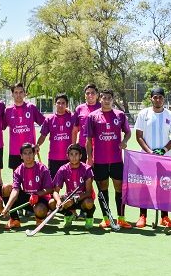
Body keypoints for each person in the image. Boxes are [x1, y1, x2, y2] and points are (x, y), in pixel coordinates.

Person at [133, 87, 171, 228]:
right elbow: (138, 136)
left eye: (160, 97)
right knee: (145, 187)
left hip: (165, 159)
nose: (158, 99)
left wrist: (164, 150)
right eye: (155, 97)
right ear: (151, 98)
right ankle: (143, 216)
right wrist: (149, 152)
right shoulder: (143, 113)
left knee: (164, 187)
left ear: (164, 99)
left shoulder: (170, 115)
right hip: (146, 158)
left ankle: (164, 217)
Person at [86, 89, 132, 228]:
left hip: (117, 159)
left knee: (119, 188)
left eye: (109, 98)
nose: (106, 100)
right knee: (103, 188)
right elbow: (88, 139)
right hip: (100, 160)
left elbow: (128, 132)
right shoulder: (92, 116)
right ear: (100, 99)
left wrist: (125, 141)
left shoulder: (120, 115)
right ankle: (106, 218)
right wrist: (89, 157)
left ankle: (121, 218)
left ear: (113, 99)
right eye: (104, 98)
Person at [1, 143, 55, 229]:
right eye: (25, 153)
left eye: (30, 153)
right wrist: (7, 207)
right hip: (27, 199)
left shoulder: (42, 168)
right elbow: (15, 190)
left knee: (40, 210)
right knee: (6, 188)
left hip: (40, 199)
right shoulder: (18, 170)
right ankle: (15, 220)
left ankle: (39, 218)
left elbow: (50, 189)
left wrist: (37, 194)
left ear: (34, 154)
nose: (28, 156)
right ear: (21, 156)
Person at [52, 144, 96, 230]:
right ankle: (69, 215)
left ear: (80, 156)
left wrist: (74, 199)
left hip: (82, 198)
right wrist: (58, 201)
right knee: (51, 203)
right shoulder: (62, 169)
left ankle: (89, 218)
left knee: (89, 203)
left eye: (76, 154)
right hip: (69, 198)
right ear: (67, 156)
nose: (74, 157)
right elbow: (55, 191)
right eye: (71, 154)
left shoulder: (87, 169)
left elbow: (88, 192)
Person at [4, 82, 45, 171]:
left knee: (31, 178)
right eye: (16, 92)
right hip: (14, 151)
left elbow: (45, 123)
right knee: (16, 180)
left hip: (29, 151)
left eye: (21, 92)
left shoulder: (31, 108)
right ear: (12, 94)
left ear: (24, 93)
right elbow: (0, 126)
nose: (18, 95)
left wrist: (37, 144)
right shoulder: (8, 110)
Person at [36, 93, 75, 179]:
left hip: (70, 157)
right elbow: (43, 136)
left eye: (63, 103)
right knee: (52, 185)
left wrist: (71, 112)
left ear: (67, 104)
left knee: (71, 184)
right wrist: (37, 145)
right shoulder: (49, 119)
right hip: (54, 158)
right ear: (55, 104)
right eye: (58, 103)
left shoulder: (72, 117)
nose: (60, 105)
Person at [73, 84, 101, 163]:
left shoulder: (102, 107)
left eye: (92, 93)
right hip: (83, 146)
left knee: (98, 173)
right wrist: (74, 146)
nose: (90, 95)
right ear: (85, 95)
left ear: (97, 95)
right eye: (87, 93)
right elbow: (75, 130)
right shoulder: (79, 108)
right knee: (84, 173)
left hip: (99, 147)